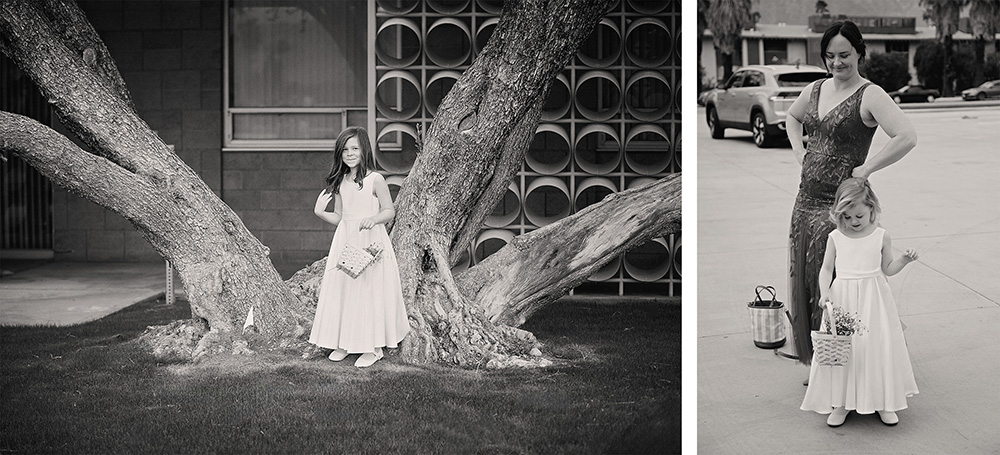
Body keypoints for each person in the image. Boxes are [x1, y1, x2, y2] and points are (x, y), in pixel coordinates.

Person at [784, 20, 917, 370]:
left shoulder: (870, 93)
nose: (836, 63)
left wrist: (867, 168)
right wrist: (799, 153)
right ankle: (823, 360)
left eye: (844, 55)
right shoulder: (815, 89)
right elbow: (792, 118)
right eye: (829, 56)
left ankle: (859, 361)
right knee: (812, 282)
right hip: (805, 202)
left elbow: (906, 136)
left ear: (860, 52)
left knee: (846, 287)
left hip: (843, 209)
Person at [800, 178, 918, 426]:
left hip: (874, 298)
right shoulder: (836, 237)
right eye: (848, 217)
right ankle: (841, 403)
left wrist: (904, 260)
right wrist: (825, 292)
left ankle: (883, 401)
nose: (853, 222)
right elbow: (826, 269)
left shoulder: (881, 236)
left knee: (876, 347)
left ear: (872, 209)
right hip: (842, 297)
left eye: (859, 216)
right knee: (845, 350)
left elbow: (887, 267)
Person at [308, 127, 409, 368]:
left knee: (367, 291)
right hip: (346, 239)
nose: (350, 153)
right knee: (344, 289)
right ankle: (344, 341)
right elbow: (341, 216)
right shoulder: (342, 181)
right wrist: (320, 213)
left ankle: (372, 348)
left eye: (354, 148)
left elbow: (389, 210)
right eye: (345, 149)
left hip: (371, 240)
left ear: (364, 149)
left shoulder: (375, 179)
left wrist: (373, 219)